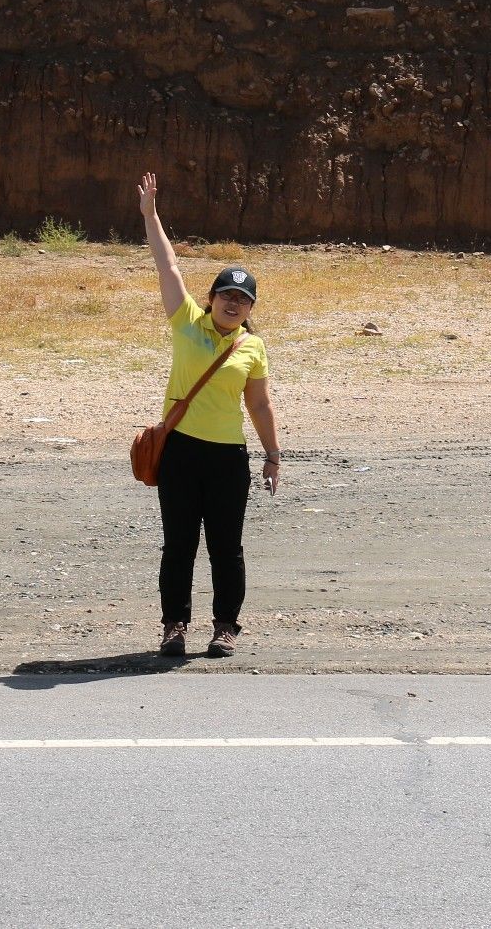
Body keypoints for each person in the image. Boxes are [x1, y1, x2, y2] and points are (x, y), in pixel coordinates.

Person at [137, 171, 280, 659]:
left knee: (227, 547)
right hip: (180, 452)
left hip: (227, 458)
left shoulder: (252, 347)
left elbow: (258, 404)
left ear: (249, 307)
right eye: (226, 295)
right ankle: (174, 627)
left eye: (243, 299)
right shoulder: (188, 323)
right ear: (212, 297)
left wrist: (273, 456)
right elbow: (168, 267)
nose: (234, 303)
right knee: (178, 545)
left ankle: (225, 627)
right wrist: (151, 217)